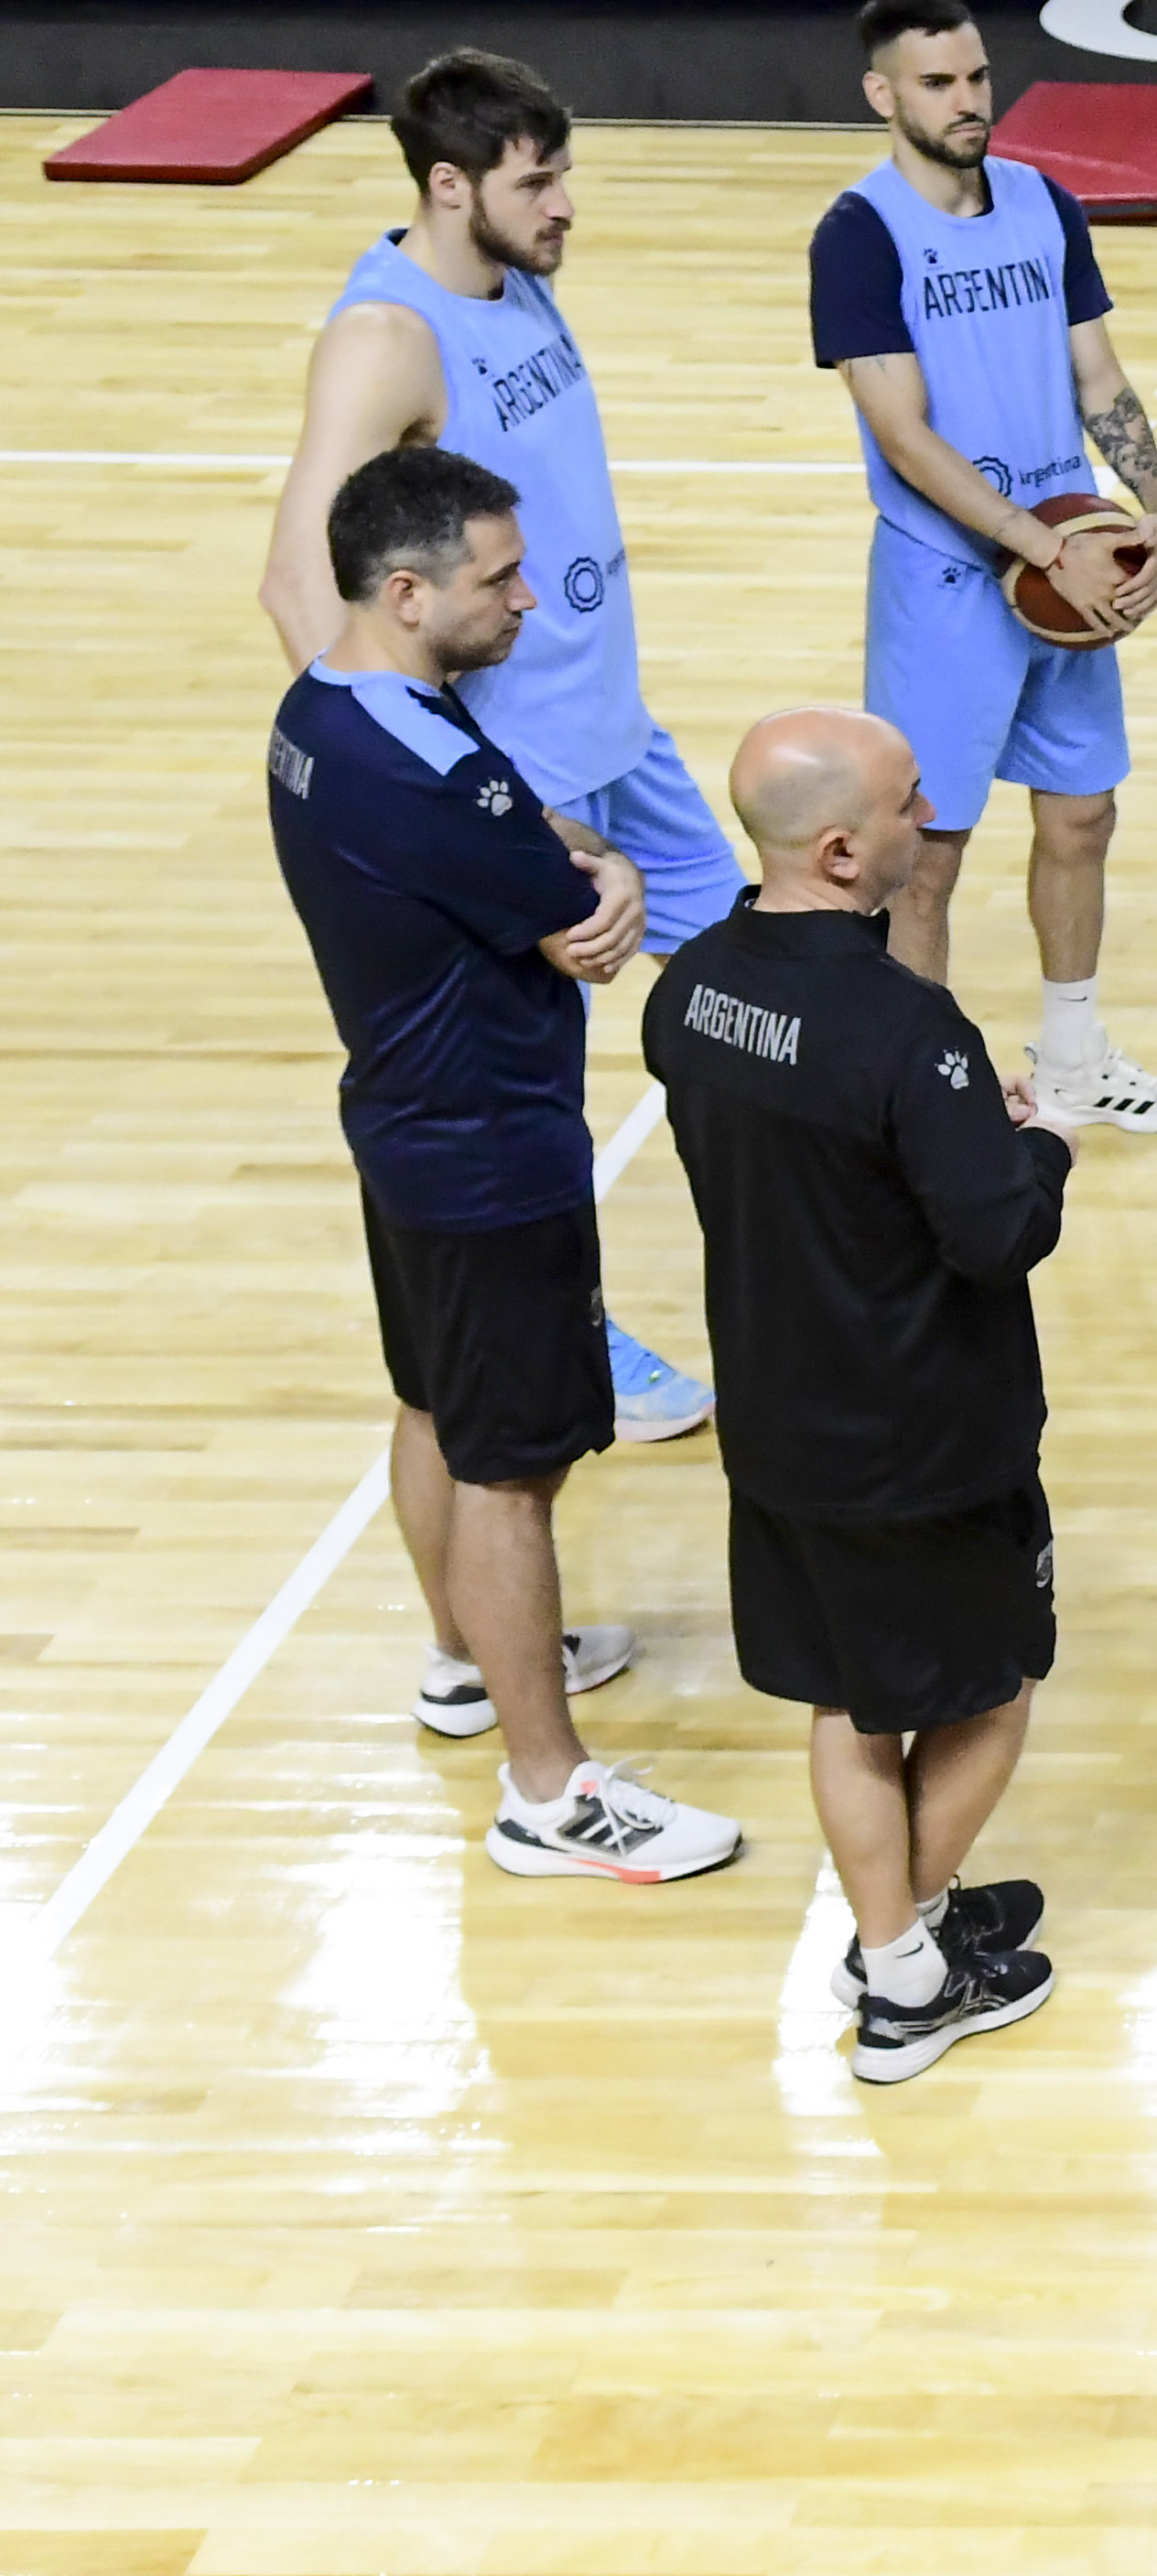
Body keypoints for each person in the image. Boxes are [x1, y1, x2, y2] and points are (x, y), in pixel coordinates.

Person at [265, 445, 743, 1887]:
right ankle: (551, 1790)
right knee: (515, 1472)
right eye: (498, 580)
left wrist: (564, 855)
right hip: (492, 1153)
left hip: (405, 1128)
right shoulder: (431, 772)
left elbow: (534, 844)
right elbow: (578, 903)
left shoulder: (322, 710)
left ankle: (465, 1659)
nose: (530, 600)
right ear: (407, 592)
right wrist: (614, 874)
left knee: (433, 1405)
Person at [261, 49, 732, 1451]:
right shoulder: (383, 338)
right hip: (523, 774)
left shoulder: (516, 282)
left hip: (616, 731)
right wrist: (467, 801)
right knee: (538, 1092)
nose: (567, 204)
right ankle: (578, 1327)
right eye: (539, 182)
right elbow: (301, 587)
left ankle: (811, 1249)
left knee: (764, 969)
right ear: (449, 186)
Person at [644, 710, 1076, 2082]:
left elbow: (820, 1148)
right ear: (841, 850)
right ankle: (903, 1971)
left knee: (851, 1698)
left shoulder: (690, 988)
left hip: (778, 1418)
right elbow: (994, 1234)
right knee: (993, 1687)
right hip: (922, 1434)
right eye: (908, 802)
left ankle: (909, 1931)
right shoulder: (906, 1030)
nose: (929, 809)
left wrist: (947, 1131)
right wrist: (1039, 1144)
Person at [811, 0, 1157, 1132]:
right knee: (925, 857)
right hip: (950, 587)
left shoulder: (1045, 202)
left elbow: (1098, 373)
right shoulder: (858, 234)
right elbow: (901, 428)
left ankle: (1078, 1061)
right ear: (883, 95)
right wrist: (1039, 544)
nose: (967, 99)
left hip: (1066, 577)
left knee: (1082, 815)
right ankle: (931, 1103)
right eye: (938, 82)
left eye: (978, 75)